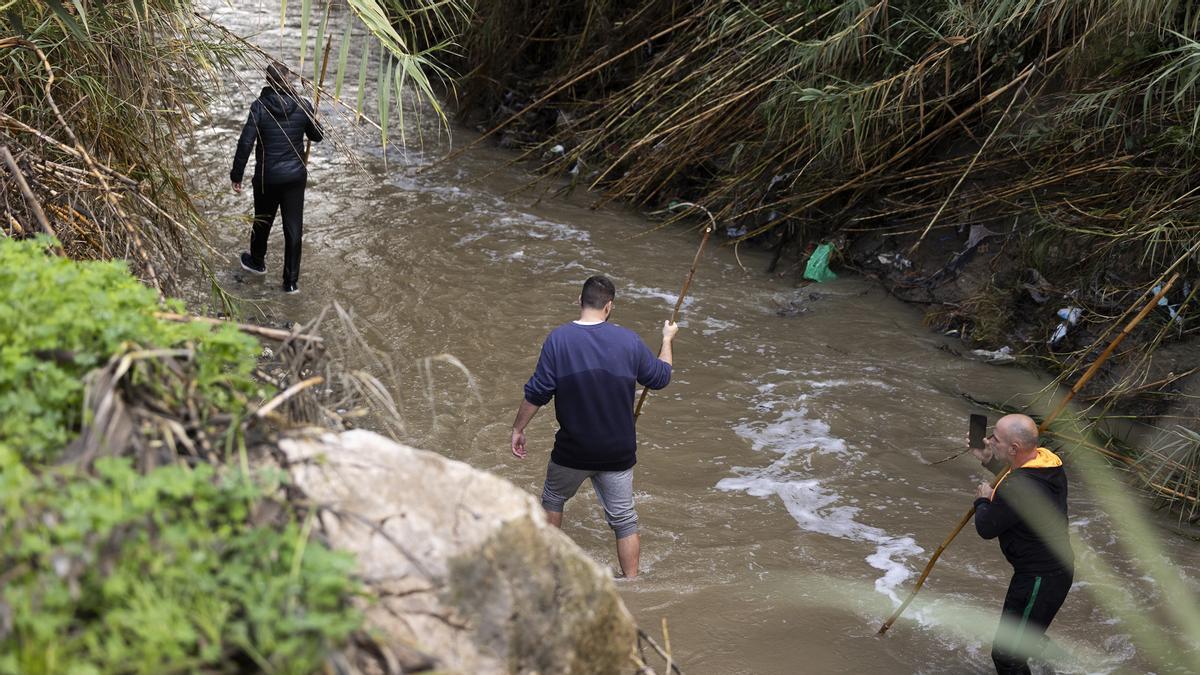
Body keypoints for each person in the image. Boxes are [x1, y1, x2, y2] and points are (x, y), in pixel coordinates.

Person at [510, 275, 678, 579]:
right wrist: (667, 340)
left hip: (573, 450)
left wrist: (518, 428)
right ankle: (633, 583)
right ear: (609, 306)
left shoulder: (559, 340)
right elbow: (661, 377)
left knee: (553, 500)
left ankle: (549, 572)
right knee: (625, 520)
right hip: (617, 451)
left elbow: (538, 392)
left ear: (580, 302)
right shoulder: (629, 341)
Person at [971, 413, 1074, 675]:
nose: (989, 440)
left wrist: (983, 500)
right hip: (1053, 571)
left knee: (1006, 656)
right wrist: (991, 461)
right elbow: (1018, 484)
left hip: (1040, 577)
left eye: (995, 439)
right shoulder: (1047, 464)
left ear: (1014, 448)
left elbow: (986, 527)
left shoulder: (1018, 487)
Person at [230, 63, 323, 294]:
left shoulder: (259, 107)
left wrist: (237, 175)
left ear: (268, 81)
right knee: (293, 228)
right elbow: (318, 136)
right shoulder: (303, 105)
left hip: (267, 178)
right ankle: (290, 283)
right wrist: (313, 115)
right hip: (294, 177)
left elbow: (245, 143)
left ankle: (257, 262)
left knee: (262, 221)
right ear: (288, 80)